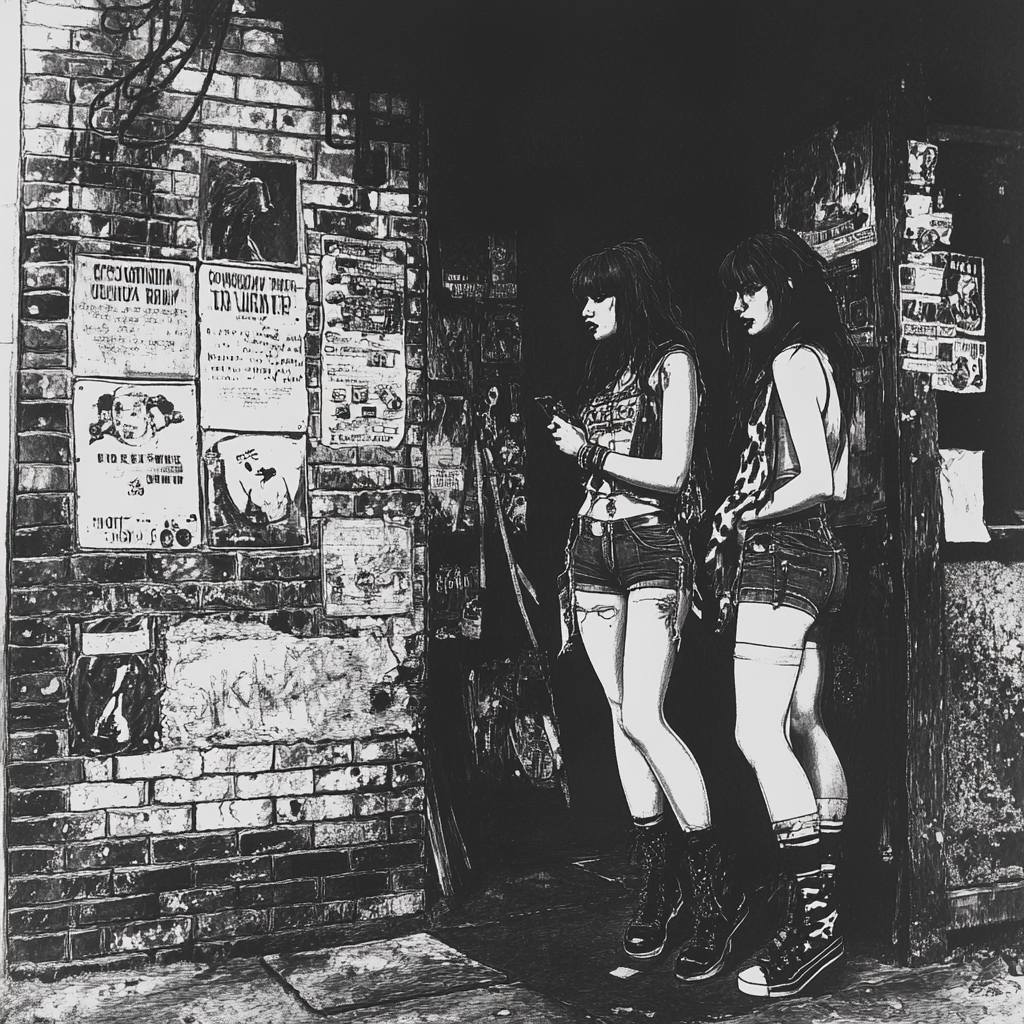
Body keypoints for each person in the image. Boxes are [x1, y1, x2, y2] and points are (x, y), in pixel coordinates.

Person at [547, 239, 747, 981]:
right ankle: (658, 886)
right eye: (582, 298)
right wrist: (584, 453)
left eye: (598, 296)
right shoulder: (610, 369)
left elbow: (671, 472)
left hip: (651, 549)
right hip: (591, 551)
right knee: (617, 712)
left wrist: (589, 451)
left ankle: (714, 888)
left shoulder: (675, 362)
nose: (586, 310)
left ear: (628, 293)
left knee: (643, 717)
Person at [708, 228, 855, 998]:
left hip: (785, 552)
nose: (737, 304)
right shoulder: (828, 364)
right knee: (804, 723)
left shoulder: (793, 362)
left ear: (783, 290)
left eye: (749, 288)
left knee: (754, 732)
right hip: (820, 557)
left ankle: (816, 919)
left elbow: (821, 478)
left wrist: (743, 515)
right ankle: (828, 901)